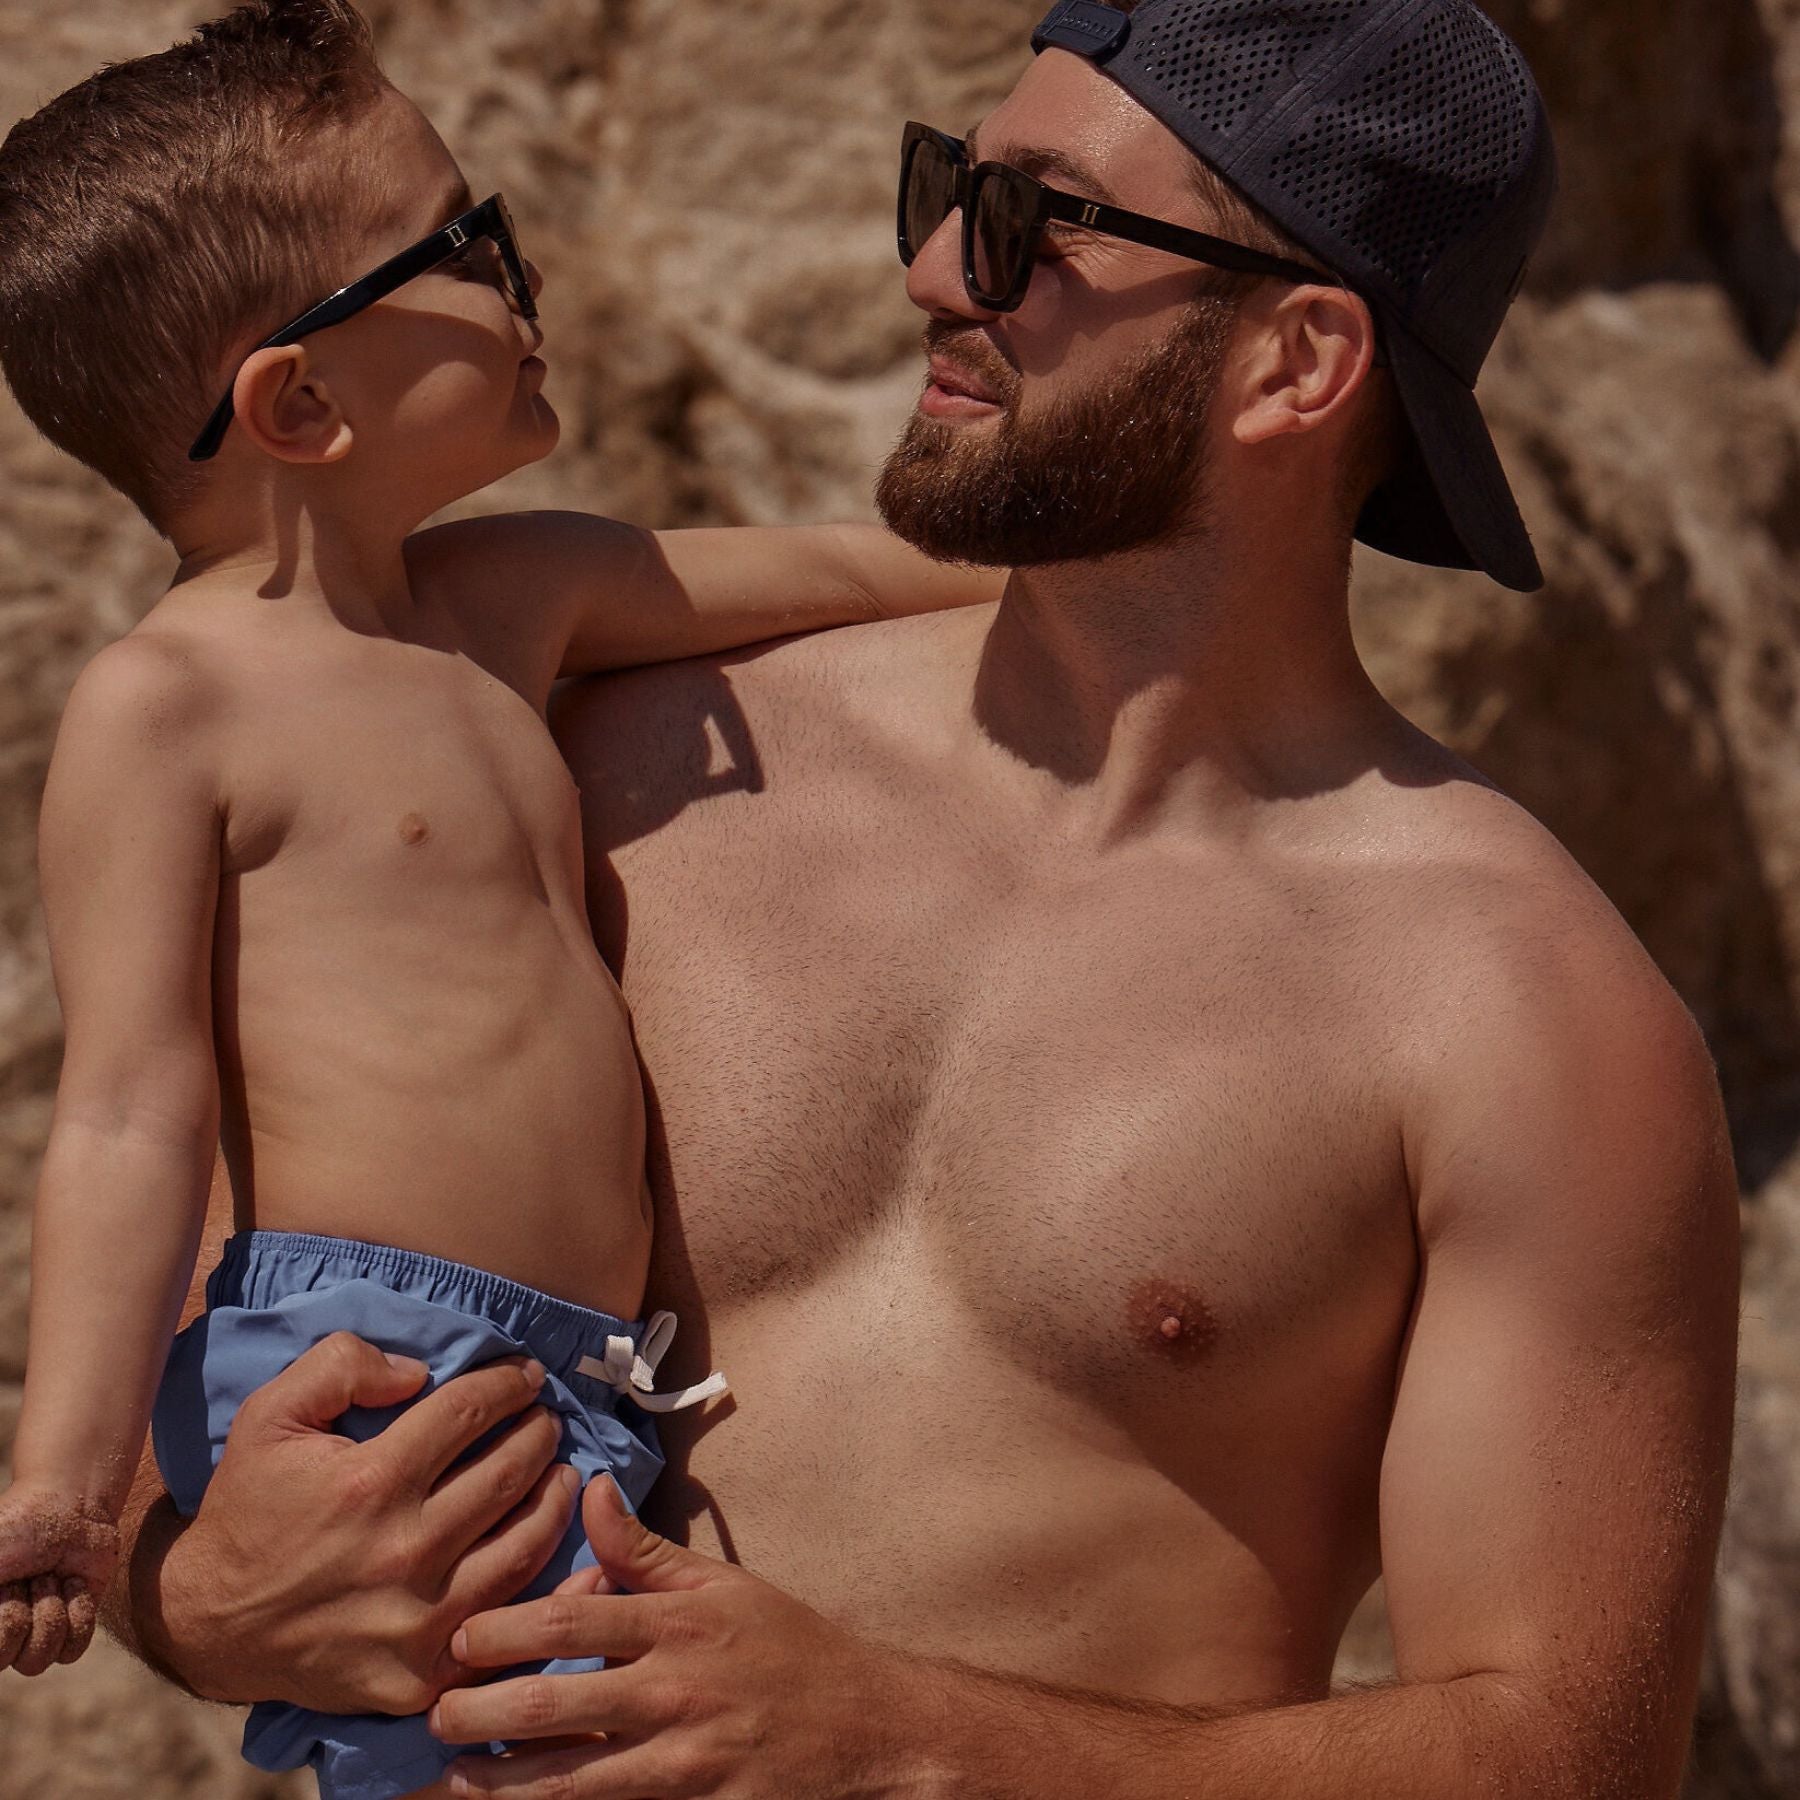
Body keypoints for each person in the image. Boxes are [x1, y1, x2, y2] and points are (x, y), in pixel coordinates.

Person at [110, 3, 1741, 1797]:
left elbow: (1569, 1753)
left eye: (1038, 225)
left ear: (1298, 360)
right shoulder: (611, 771)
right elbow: (197, 1375)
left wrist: (909, 1739)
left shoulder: (1520, 1012)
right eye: (950, 186)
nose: (931, 271)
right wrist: (196, 1590)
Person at [0, 3, 998, 1795]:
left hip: (576, 1374)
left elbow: (878, 577)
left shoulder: (514, 597)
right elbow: (130, 1113)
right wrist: (67, 1488)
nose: (522, 279)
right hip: (373, 1359)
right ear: (296, 401)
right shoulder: (169, 707)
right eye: (469, 250)